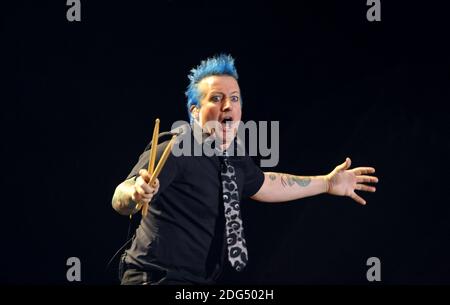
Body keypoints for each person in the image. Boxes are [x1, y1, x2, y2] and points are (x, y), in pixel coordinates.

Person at [111, 54, 378, 285]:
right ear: (195, 112)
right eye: (216, 98)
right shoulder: (176, 148)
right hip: (154, 278)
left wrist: (327, 183)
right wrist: (136, 192)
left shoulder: (233, 158)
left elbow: (267, 184)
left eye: (235, 98)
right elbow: (121, 197)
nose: (228, 105)